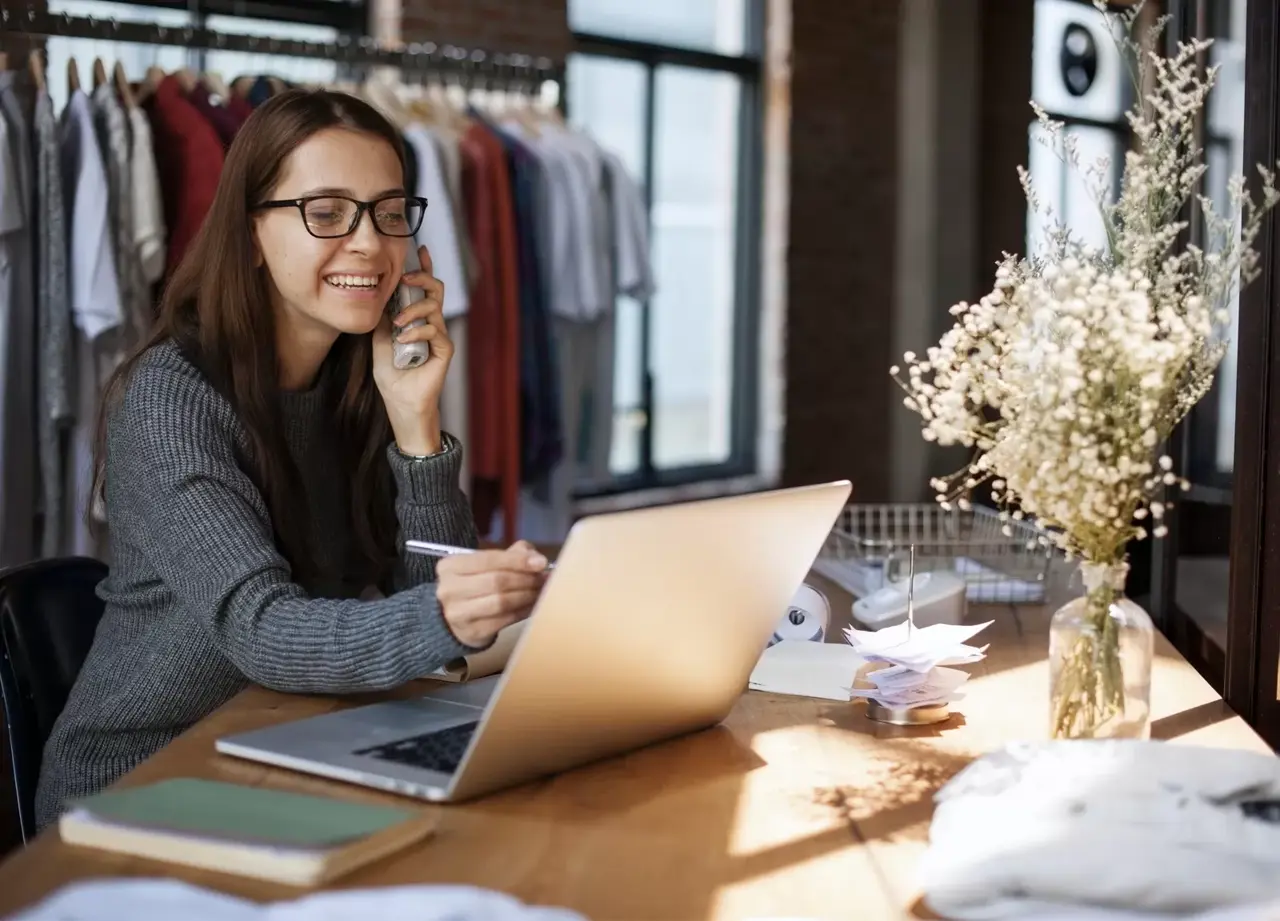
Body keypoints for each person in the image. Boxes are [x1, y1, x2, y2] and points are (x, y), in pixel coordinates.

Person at [33, 89, 548, 829]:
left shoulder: (360, 378)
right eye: (328, 213)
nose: (370, 243)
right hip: (138, 783)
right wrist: (444, 613)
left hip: (287, 743)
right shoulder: (168, 401)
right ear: (250, 234)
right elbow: (263, 630)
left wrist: (416, 423)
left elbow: (437, 613)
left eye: (389, 212)